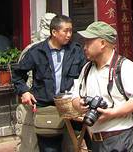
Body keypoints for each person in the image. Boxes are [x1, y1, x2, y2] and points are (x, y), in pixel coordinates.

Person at [71, 21, 133, 152]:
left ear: (102, 43)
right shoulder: (87, 68)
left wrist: (113, 113)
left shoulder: (124, 67)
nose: (84, 47)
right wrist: (79, 104)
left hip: (121, 138)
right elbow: (74, 96)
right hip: (96, 141)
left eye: (88, 42)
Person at [12, 14, 86, 152]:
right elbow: (17, 75)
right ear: (54, 32)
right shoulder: (37, 51)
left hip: (71, 107)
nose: (69, 35)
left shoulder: (76, 51)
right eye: (65, 31)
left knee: (74, 147)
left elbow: (86, 74)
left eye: (71, 31)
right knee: (49, 149)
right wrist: (24, 91)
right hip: (46, 107)